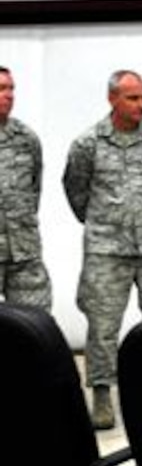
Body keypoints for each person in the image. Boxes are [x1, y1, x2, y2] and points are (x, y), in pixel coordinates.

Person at [62, 70, 142, 430]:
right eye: (133, 98)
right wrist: (108, 222)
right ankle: (102, 393)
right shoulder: (88, 143)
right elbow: (76, 191)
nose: (141, 104)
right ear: (112, 99)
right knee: (102, 325)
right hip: (106, 248)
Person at [0, 66, 51, 310]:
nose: (8, 95)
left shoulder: (25, 138)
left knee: (34, 327)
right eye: (1, 89)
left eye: (11, 89)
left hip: (23, 254)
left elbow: (34, 190)